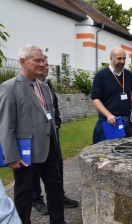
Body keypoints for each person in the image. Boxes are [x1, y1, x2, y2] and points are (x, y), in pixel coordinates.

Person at [0, 45, 67, 224]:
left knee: (55, 187)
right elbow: (6, 125)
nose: (42, 63)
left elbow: (49, 116)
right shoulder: (9, 88)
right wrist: (11, 156)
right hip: (24, 151)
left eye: (43, 60)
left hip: (49, 146)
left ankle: (58, 220)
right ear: (23, 62)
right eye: (37, 60)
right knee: (24, 192)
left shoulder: (44, 87)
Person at [31, 57, 78, 216]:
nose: (45, 67)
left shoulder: (48, 84)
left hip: (52, 130)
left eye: (47, 64)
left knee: (58, 164)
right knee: (36, 167)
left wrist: (57, 122)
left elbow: (54, 105)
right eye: (41, 64)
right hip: (36, 133)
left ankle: (59, 196)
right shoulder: (28, 86)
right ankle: (36, 199)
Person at [91, 47, 132, 144]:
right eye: (119, 58)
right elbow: (95, 100)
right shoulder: (101, 76)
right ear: (111, 58)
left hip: (125, 121)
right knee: (104, 151)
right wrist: (109, 115)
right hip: (107, 121)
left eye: (124, 58)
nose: (122, 61)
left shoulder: (129, 75)